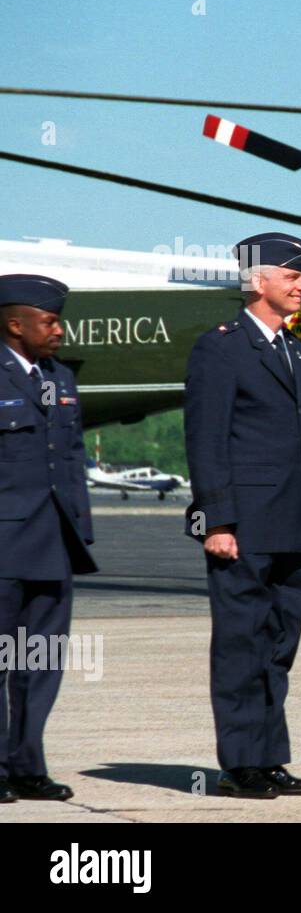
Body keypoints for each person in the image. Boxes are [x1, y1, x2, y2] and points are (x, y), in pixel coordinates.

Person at [183, 232, 301, 799]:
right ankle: (238, 765)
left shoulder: (294, 349)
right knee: (240, 644)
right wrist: (218, 521)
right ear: (258, 281)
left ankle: (269, 756)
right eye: (292, 276)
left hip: (293, 521)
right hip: (244, 525)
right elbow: (206, 441)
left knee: (278, 643)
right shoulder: (221, 348)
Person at [0, 275, 96, 804]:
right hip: (4, 544)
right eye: (49, 320)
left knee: (39, 661)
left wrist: (80, 529)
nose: (59, 329)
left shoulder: (60, 378)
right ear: (16, 325)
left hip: (54, 544)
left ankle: (26, 765)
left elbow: (73, 458)